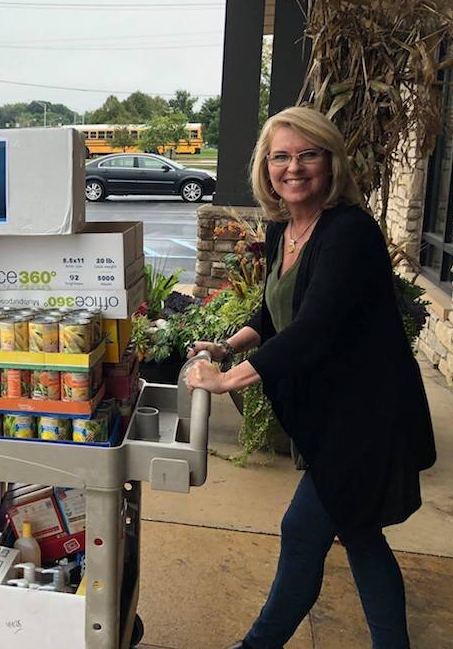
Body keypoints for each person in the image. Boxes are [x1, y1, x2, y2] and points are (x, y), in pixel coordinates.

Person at [184, 106, 436, 649]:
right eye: (280, 157)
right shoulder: (284, 227)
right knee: (360, 534)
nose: (293, 168)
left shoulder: (349, 232)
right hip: (331, 416)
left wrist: (226, 381)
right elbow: (275, 311)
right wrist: (227, 346)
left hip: (367, 416)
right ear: (265, 166)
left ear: (331, 162)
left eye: (307, 155)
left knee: (304, 531)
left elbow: (315, 327)